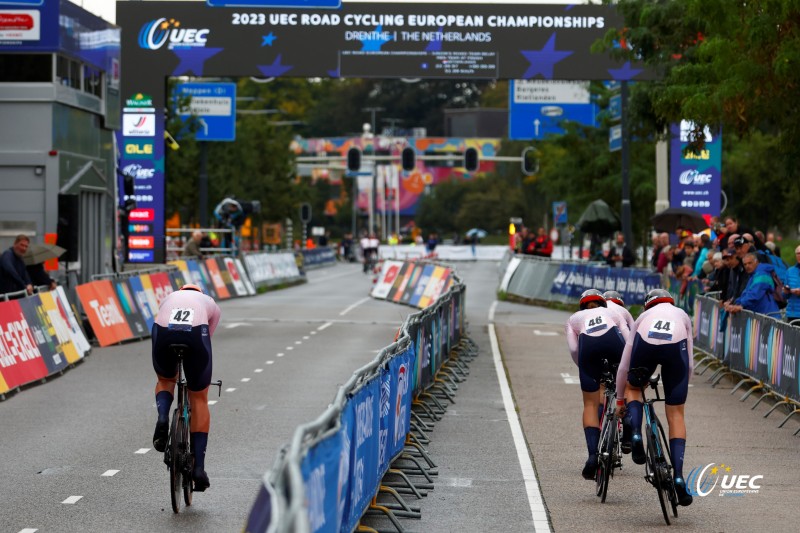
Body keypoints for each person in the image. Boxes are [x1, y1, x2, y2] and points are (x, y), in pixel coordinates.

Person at [615, 288, 694, 507]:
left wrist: (620, 400)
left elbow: (623, 366)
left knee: (634, 388)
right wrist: (678, 389)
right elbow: (689, 362)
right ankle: (678, 476)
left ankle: (637, 435)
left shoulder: (643, 317)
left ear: (648, 304)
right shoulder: (682, 315)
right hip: (675, 351)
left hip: (645, 345)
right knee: (676, 414)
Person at [151, 283, 221, 492]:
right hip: (196, 334)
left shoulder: (169, 297)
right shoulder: (211, 304)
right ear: (200, 293)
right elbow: (209, 336)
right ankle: (198, 468)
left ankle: (163, 416)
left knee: (165, 380)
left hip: (163, 333)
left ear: (181, 291)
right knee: (199, 397)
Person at [565, 289, 629, 480]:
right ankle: (627, 424)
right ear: (603, 303)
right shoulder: (613, 312)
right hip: (615, 345)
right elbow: (628, 339)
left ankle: (593, 456)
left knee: (590, 405)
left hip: (588, 352)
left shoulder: (574, 318)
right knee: (627, 387)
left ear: (582, 305)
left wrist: (585, 368)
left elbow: (574, 348)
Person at [784, 245, 800, 323]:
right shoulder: (790, 271)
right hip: (792, 314)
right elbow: (784, 296)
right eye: (798, 253)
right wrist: (785, 291)